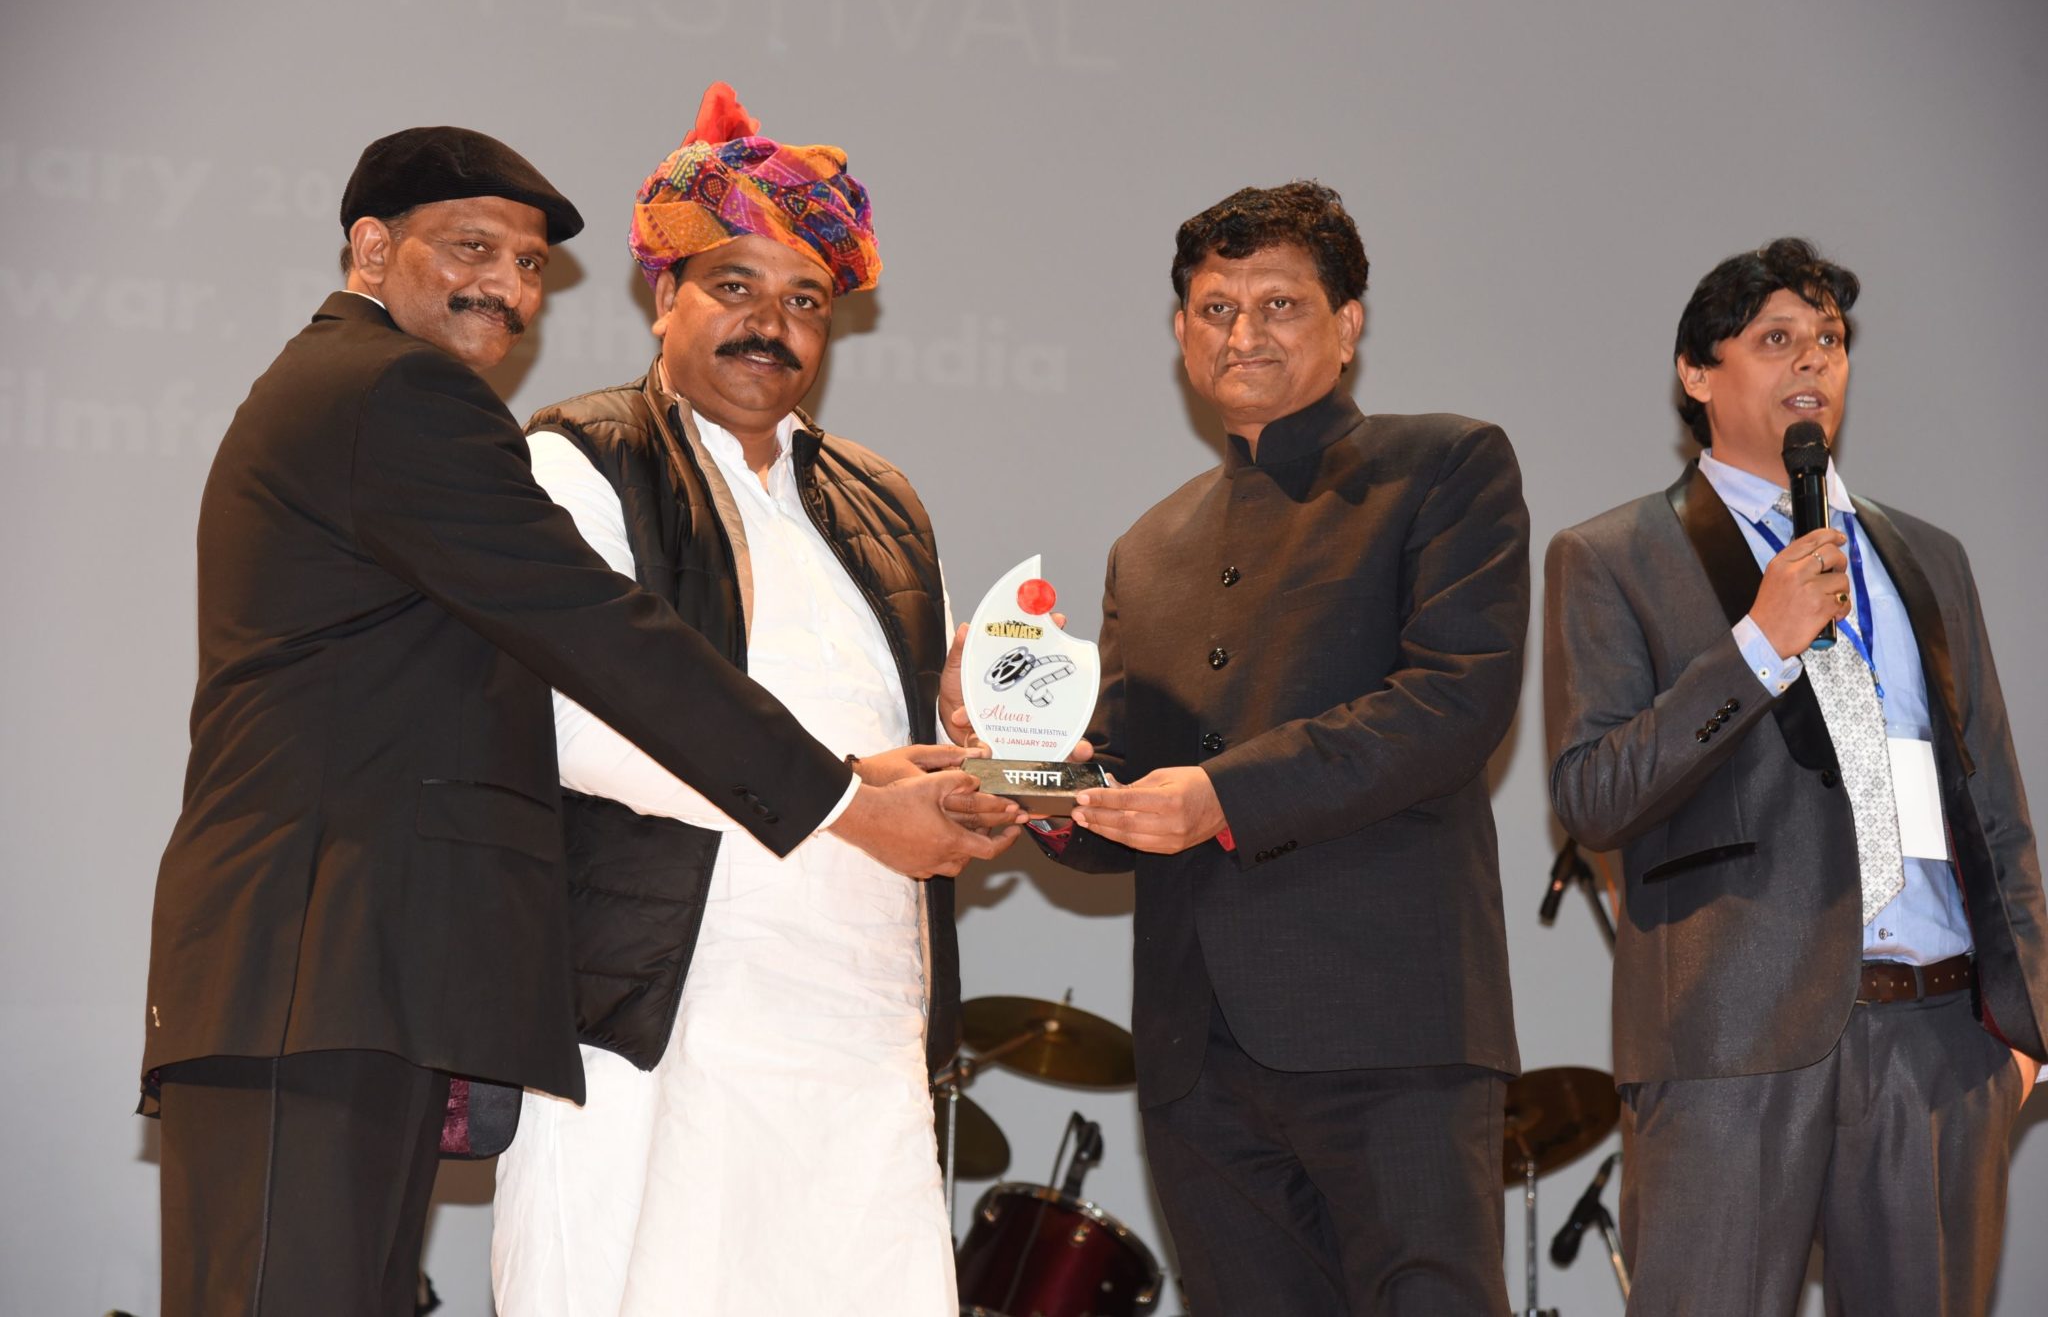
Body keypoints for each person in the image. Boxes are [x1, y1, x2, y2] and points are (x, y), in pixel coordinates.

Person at [140, 125, 1012, 1317]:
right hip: (326, 960)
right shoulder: (407, 394)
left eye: (528, 264)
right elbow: (606, 646)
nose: (505, 284)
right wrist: (850, 800)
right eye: (471, 248)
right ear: (371, 248)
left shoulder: (871, 497)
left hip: (365, 972)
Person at [487, 82, 996, 1316]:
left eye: (805, 300)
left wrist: (982, 758)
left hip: (862, 1023)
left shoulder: (881, 500)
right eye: (734, 285)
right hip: (659, 1011)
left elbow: (910, 743)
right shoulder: (579, 457)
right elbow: (576, 724)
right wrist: (852, 799)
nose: (771, 324)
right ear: (662, 295)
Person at [1035, 181, 1526, 1315]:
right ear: (1180, 333)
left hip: (1390, 1028)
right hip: (1196, 1051)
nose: (1242, 333)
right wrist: (1027, 773)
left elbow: (1453, 700)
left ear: (1347, 325)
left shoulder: (1444, 465)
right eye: (1215, 308)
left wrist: (1219, 796)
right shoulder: (1146, 545)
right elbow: (1120, 785)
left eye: (1279, 304)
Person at [1544, 236, 2046, 1315]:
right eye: (1775, 338)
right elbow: (1590, 792)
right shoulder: (1612, 556)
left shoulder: (1928, 557)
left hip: (1936, 1041)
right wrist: (1757, 645)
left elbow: (1994, 803)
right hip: (1728, 1046)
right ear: (1696, 372)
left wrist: (2021, 1027)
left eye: (1829, 337)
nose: (1812, 359)